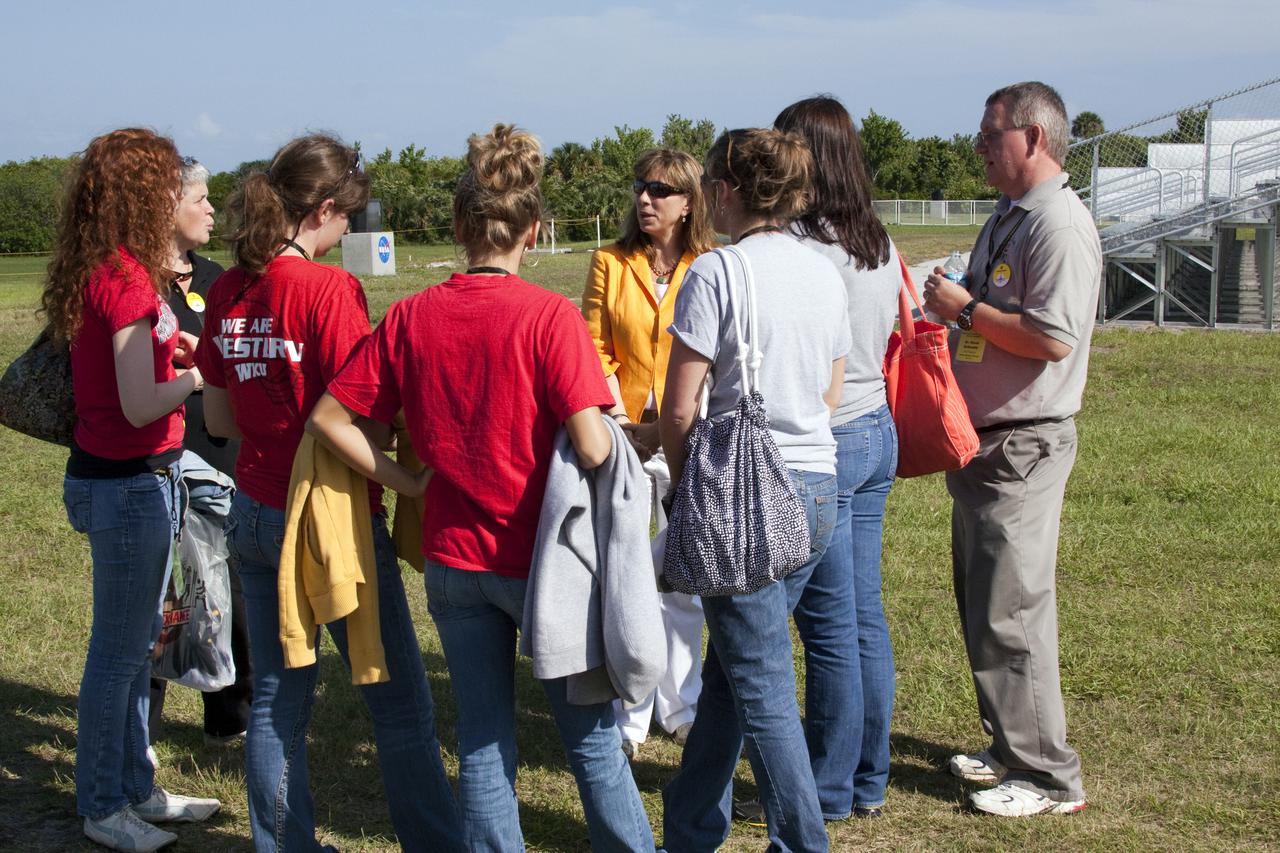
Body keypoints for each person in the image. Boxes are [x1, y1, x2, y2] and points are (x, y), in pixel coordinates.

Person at [308, 124, 657, 852]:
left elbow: (329, 418)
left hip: (454, 560)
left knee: (482, 738)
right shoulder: (550, 317)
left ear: (462, 226)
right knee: (589, 739)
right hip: (544, 563)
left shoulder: (409, 316)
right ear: (533, 228)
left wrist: (407, 479)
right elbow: (595, 444)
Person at [193, 134, 462, 852]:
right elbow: (355, 415)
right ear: (324, 210)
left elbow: (218, 419)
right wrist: (406, 475)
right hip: (333, 521)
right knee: (399, 702)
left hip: (252, 509)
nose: (352, 229)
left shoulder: (225, 288)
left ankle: (284, 843)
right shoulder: (326, 290)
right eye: (351, 216)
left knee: (280, 698)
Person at [660, 128, 849, 853]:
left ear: (729, 190)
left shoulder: (717, 274)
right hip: (818, 486)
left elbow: (680, 409)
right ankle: (690, 824)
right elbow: (830, 391)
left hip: (743, 496)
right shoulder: (823, 272)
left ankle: (802, 841)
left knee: (762, 684)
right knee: (734, 671)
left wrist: (687, 489)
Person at [922, 80, 1101, 818]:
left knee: (1014, 611)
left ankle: (1050, 777)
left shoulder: (1057, 222)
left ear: (1034, 138)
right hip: (985, 444)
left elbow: (1053, 338)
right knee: (984, 601)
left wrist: (968, 310)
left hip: (1023, 443)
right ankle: (1008, 746)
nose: (979, 147)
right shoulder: (1011, 213)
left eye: (991, 134)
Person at [44, 127, 220, 853]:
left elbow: (132, 376)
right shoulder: (120, 278)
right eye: (165, 183)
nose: (176, 194)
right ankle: (102, 803)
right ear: (139, 194)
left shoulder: (118, 269)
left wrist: (171, 350)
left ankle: (136, 788)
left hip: (139, 480)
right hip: (124, 486)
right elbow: (140, 402)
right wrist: (197, 374)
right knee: (117, 656)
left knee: (138, 645)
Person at [774, 96, 901, 820]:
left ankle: (828, 786)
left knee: (827, 627)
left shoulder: (802, 245)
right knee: (860, 618)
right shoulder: (874, 238)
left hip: (830, 438)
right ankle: (866, 777)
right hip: (875, 427)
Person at [581, 149, 717, 759]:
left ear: (690, 201)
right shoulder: (609, 262)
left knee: (682, 580)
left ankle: (681, 706)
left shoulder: (712, 265)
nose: (645, 198)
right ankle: (629, 712)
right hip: (624, 435)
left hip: (692, 434)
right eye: (641, 187)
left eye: (661, 190)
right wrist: (621, 422)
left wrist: (673, 423)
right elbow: (592, 347)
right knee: (628, 575)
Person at [148, 155, 253, 749]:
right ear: (167, 207)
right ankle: (145, 723)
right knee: (161, 592)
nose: (212, 209)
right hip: (158, 459)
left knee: (228, 590)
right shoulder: (136, 282)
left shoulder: (221, 279)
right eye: (200, 199)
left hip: (219, 456)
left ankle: (229, 717)